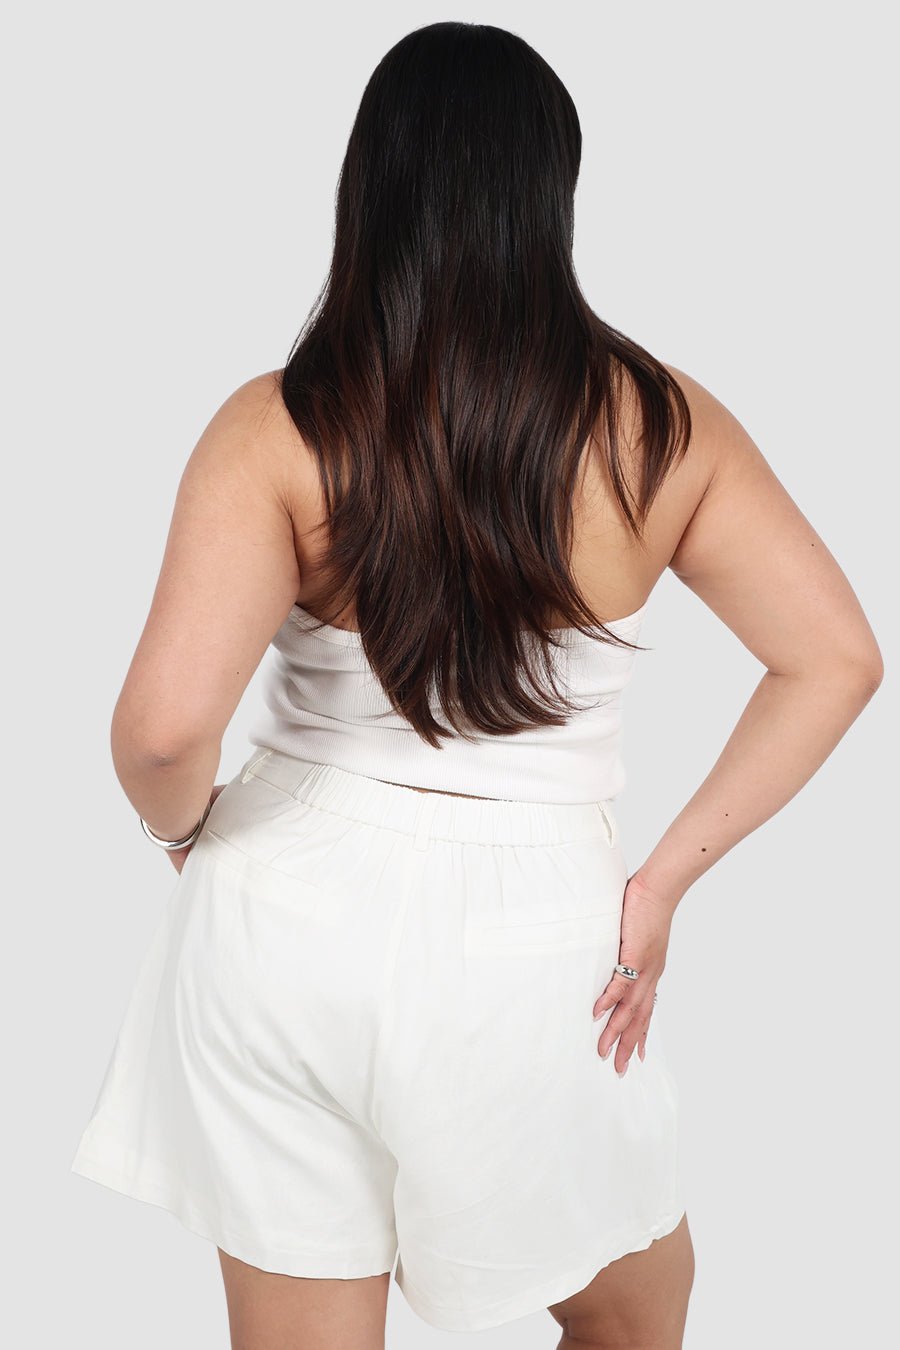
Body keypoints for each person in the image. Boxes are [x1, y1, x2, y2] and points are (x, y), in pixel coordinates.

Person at [69, 20, 883, 1350]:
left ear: (369, 185)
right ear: (551, 194)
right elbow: (836, 657)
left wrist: (184, 832)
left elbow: (162, 732)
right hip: (535, 938)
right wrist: (660, 884)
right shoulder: (658, 426)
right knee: (634, 1312)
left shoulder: (280, 423)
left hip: (278, 912)